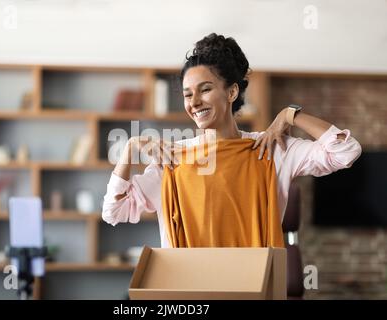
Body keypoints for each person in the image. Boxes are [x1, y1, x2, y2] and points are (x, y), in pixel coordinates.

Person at [102, 33, 362, 248]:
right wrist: (130, 149)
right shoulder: (172, 159)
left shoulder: (271, 149)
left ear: (232, 91)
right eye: (187, 94)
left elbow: (345, 152)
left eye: (205, 89)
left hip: (255, 288)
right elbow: (114, 212)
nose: (194, 103)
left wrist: (290, 114)